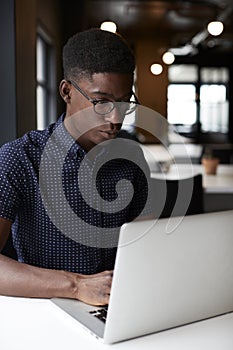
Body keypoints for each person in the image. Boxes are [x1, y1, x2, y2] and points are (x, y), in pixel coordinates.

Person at [0, 28, 150, 306]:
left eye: (123, 102)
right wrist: (76, 286)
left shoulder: (131, 159)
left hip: (117, 308)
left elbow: (143, 248)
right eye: (101, 102)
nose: (115, 118)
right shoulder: (18, 159)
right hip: (44, 310)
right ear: (67, 92)